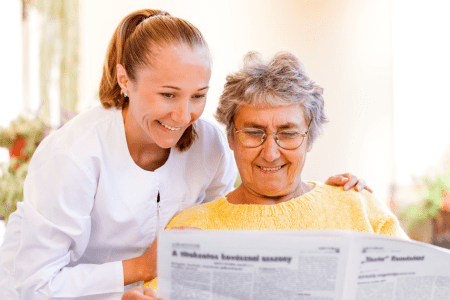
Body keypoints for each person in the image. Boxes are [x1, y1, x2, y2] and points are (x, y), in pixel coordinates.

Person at [0, 9, 369, 300]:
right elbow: (36, 286)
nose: (183, 116)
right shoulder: (74, 156)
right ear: (125, 80)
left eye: (198, 96)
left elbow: (224, 222)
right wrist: (143, 267)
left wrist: (321, 193)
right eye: (168, 94)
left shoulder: (209, 146)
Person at [124, 51, 408, 299]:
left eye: (288, 133)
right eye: (253, 133)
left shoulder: (359, 207)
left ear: (309, 138)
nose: (271, 153)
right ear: (231, 138)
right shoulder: (191, 229)